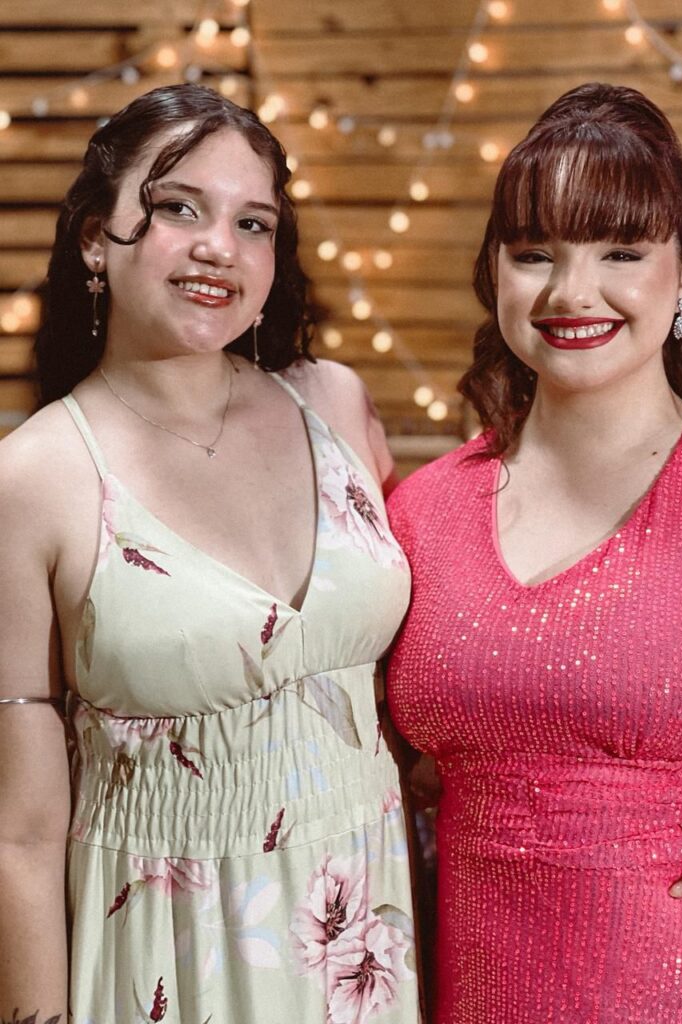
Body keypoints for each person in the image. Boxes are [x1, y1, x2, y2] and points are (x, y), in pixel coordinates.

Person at [0, 84, 420, 1024]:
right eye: (180, 208)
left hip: (370, 944)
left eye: (252, 223)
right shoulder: (35, 479)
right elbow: (17, 837)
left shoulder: (333, 405)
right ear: (95, 238)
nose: (218, 247)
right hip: (168, 960)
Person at [385, 82, 682, 1022]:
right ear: (495, 274)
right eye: (534, 254)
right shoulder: (423, 510)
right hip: (478, 988)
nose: (571, 292)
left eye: (620, 252)